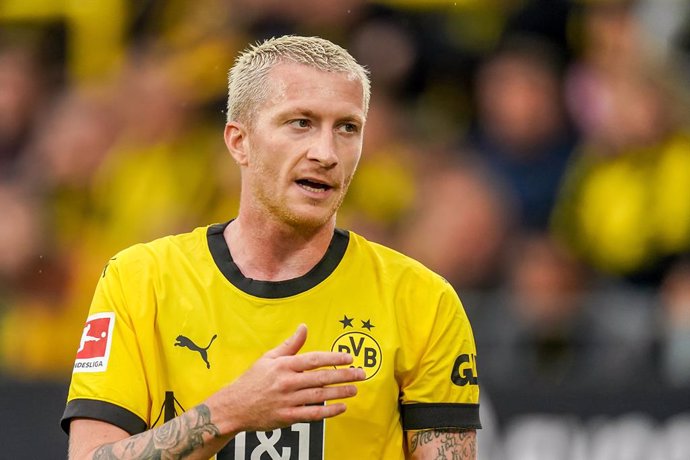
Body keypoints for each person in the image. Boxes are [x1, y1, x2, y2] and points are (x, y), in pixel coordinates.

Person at [61, 35, 481, 459]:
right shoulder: (139, 280)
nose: (326, 153)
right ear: (239, 141)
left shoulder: (423, 301)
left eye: (347, 128)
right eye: (300, 123)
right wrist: (230, 412)